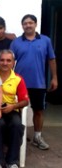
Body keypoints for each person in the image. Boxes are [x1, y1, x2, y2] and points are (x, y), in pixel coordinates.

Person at [10, 14, 58, 150]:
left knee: (38, 111)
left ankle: (37, 137)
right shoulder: (16, 42)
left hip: (38, 83)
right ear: (22, 26)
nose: (28, 25)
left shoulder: (45, 41)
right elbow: (10, 62)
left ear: (35, 24)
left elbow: (52, 59)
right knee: (17, 111)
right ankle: (19, 135)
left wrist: (54, 77)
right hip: (19, 83)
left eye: (30, 23)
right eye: (25, 23)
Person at [0, 50, 29, 168]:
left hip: (12, 109)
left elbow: (25, 101)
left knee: (16, 125)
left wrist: (12, 106)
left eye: (8, 60)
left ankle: (12, 161)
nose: (5, 63)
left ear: (13, 63)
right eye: (2, 60)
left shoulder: (18, 79)